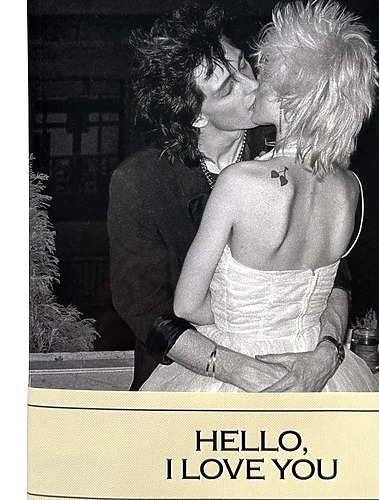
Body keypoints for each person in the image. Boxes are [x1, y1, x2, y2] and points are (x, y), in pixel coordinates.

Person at [108, 2, 353, 391]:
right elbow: (145, 309)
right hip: (189, 378)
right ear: (196, 115)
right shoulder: (141, 182)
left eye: (244, 66)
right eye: (228, 87)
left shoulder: (294, 148)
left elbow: (337, 274)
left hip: (302, 364)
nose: (253, 85)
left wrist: (328, 351)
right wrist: (239, 369)